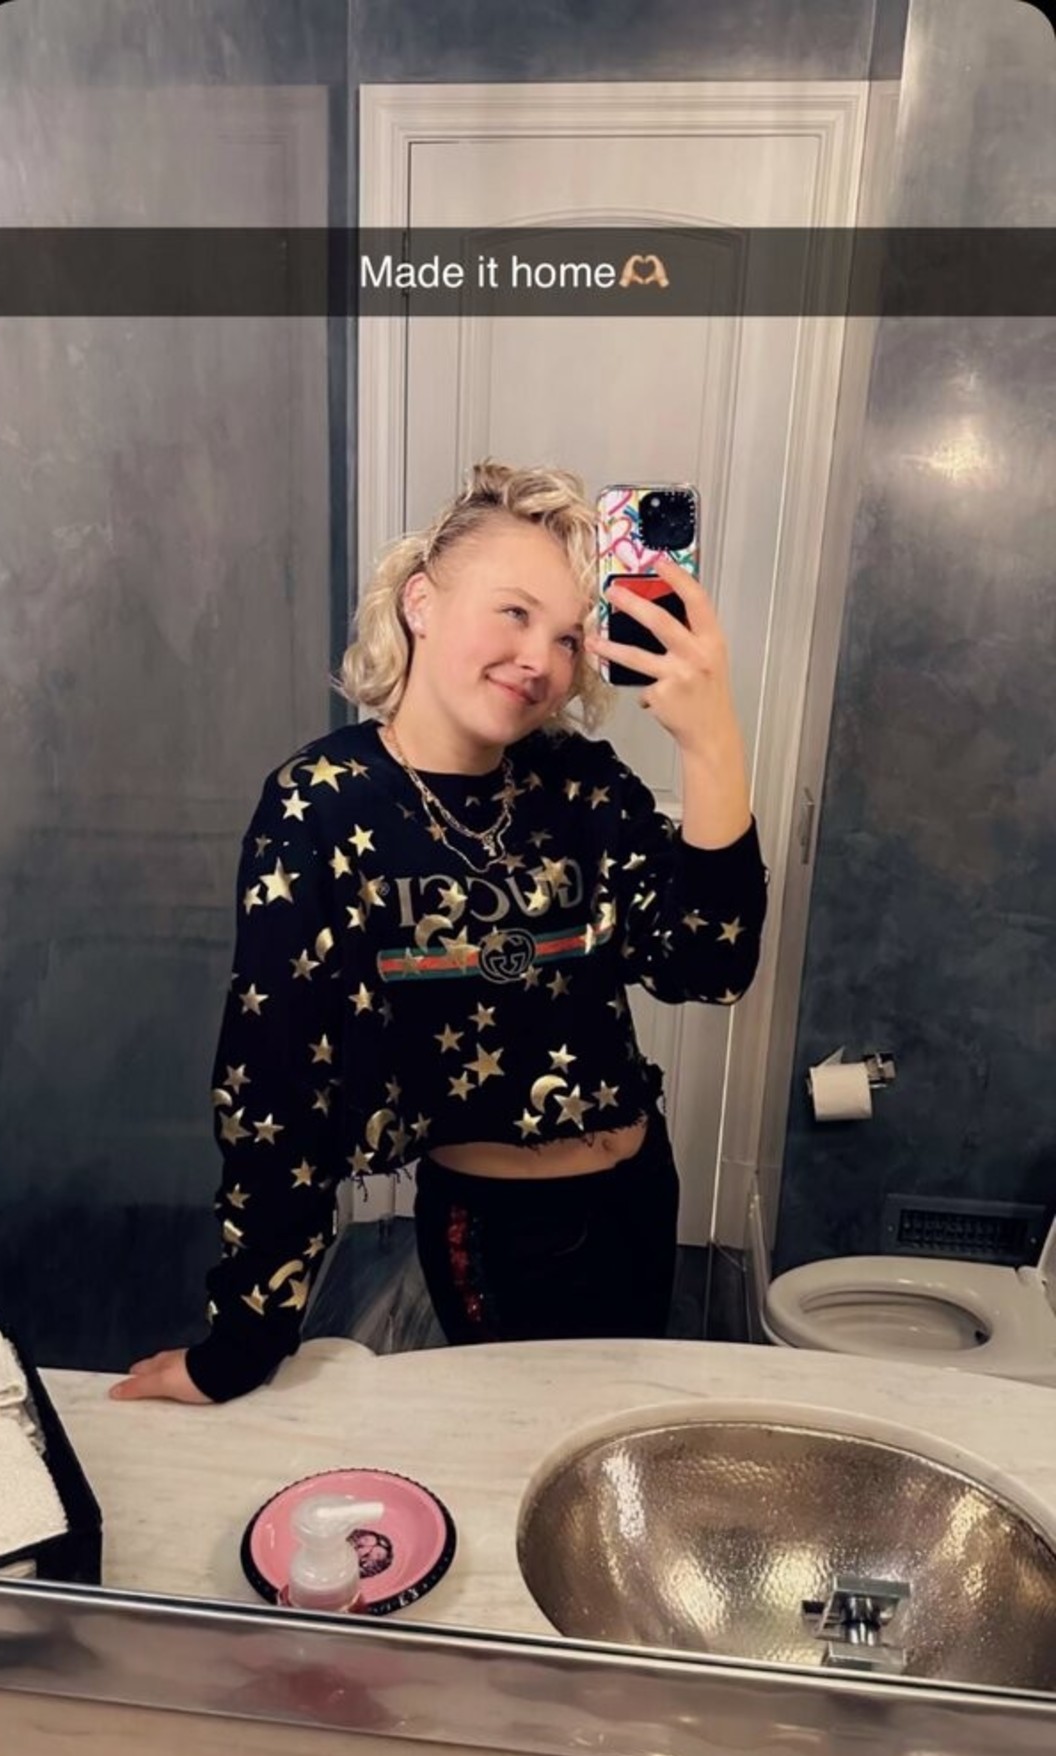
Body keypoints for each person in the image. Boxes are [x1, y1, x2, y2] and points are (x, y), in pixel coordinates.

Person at [110, 461, 768, 1406]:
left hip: (639, 1191)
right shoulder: (321, 807)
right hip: (497, 1229)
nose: (541, 659)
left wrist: (712, 744)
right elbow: (276, 1084)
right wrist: (242, 1341)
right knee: (511, 1455)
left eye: (568, 636)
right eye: (514, 613)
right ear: (421, 602)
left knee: (608, 1438)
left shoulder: (581, 784)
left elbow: (710, 962)